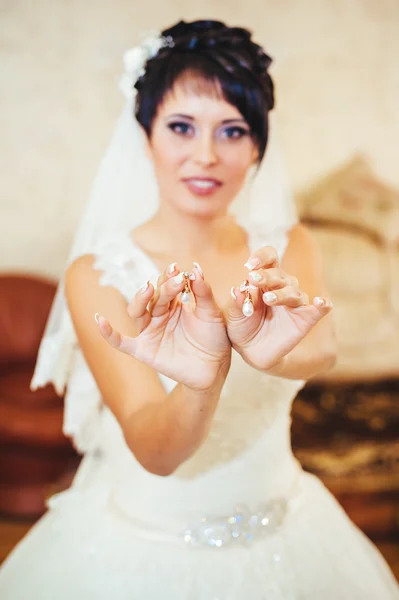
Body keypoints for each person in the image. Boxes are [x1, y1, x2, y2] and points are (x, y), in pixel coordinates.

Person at [1, 18, 397, 600]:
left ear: (259, 146)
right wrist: (200, 381)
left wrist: (276, 352)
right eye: (182, 127)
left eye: (233, 131)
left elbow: (321, 346)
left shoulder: (288, 245)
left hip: (291, 527)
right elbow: (156, 452)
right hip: (146, 546)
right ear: (146, 136)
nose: (205, 156)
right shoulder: (98, 276)